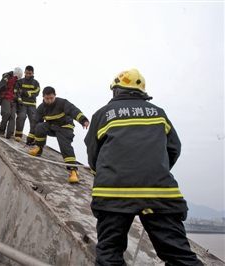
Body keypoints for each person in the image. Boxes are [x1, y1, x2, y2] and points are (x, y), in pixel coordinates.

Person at [84, 69, 203, 266]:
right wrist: (154, 168)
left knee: (110, 256)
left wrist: (103, 174)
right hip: (160, 193)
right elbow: (174, 148)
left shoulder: (103, 114)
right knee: (179, 256)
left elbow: (93, 153)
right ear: (141, 91)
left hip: (113, 193)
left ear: (115, 90)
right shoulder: (158, 113)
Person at [27, 86, 89, 183]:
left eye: (51, 98)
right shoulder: (41, 108)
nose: (49, 100)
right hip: (52, 126)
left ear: (55, 96)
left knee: (64, 144)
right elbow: (35, 123)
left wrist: (83, 120)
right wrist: (30, 139)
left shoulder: (62, 103)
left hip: (65, 127)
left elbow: (74, 111)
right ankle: (39, 149)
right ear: (43, 97)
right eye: (47, 99)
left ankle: (74, 170)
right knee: (40, 126)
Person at [0, 67, 23, 139]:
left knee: (12, 116)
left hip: (14, 100)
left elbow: (18, 90)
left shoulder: (19, 82)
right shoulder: (8, 77)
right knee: (6, 113)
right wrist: (14, 78)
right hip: (5, 98)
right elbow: (7, 86)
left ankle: (10, 134)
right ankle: (1, 131)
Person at [14, 65, 40, 142]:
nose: (28, 75)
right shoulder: (20, 81)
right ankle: (18, 135)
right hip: (22, 104)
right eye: (27, 73)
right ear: (25, 72)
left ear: (33, 73)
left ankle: (32, 137)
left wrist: (24, 92)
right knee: (21, 117)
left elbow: (36, 92)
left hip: (32, 104)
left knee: (33, 120)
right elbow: (17, 90)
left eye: (30, 73)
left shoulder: (36, 83)